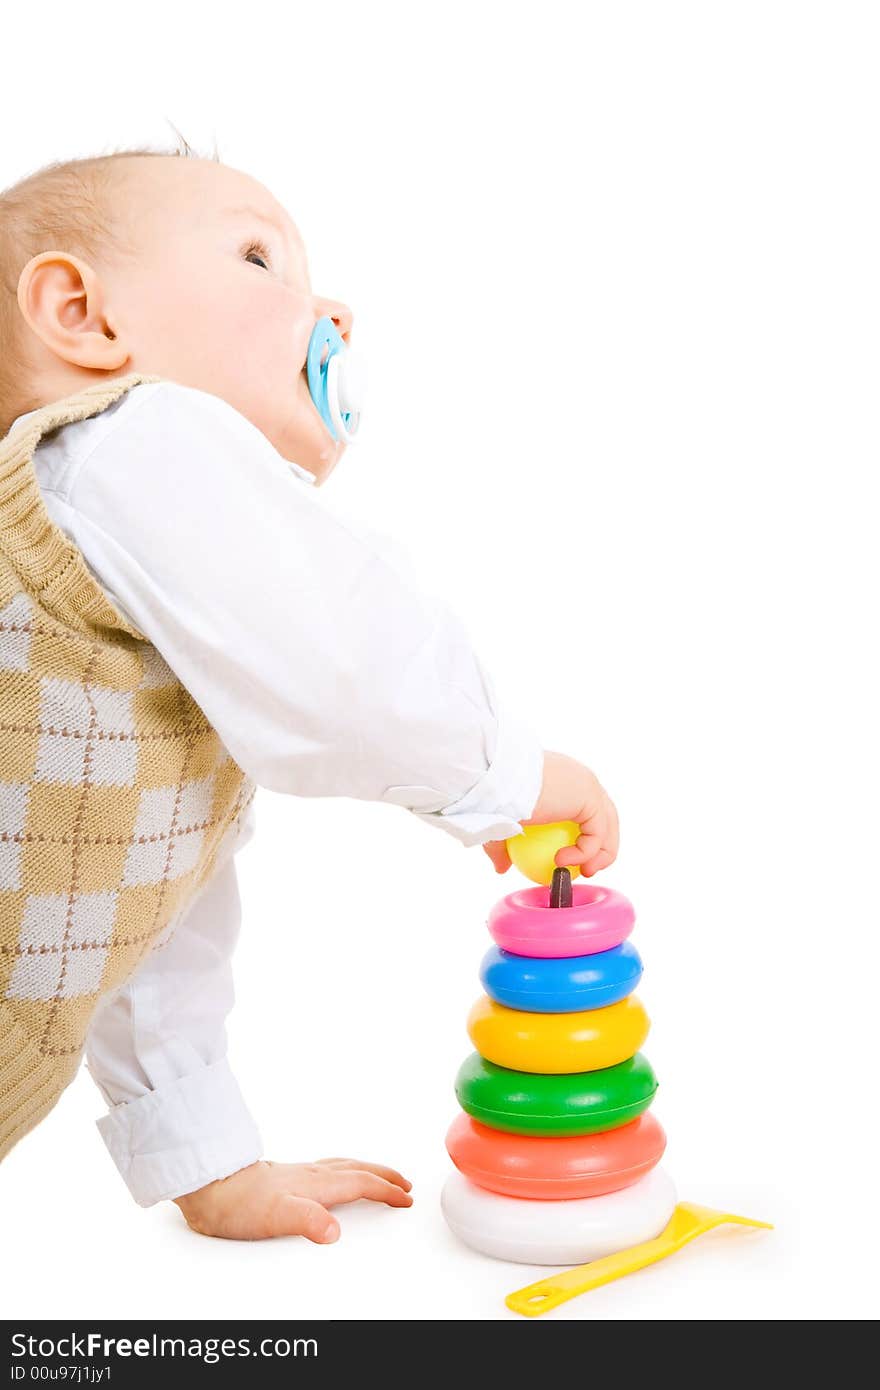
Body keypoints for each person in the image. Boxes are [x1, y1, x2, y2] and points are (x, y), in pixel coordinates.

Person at [0, 146, 618, 1243]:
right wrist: (504, 773)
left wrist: (209, 1158)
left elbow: (134, 908)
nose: (329, 308)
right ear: (81, 316)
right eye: (258, 257)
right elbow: (345, 666)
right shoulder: (134, 436)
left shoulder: (119, 591)